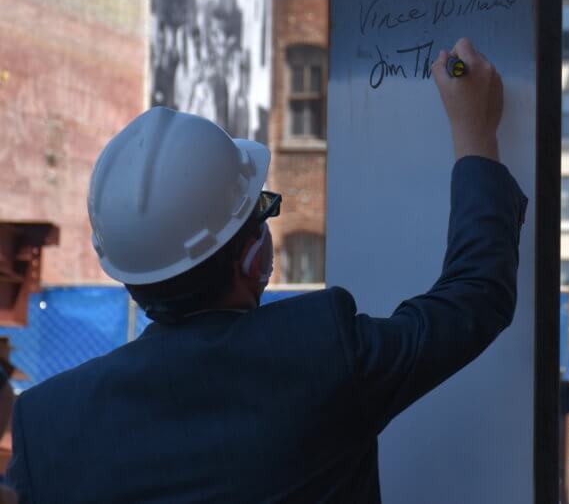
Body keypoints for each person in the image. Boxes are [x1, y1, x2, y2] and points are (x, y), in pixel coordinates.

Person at [7, 37, 526, 503]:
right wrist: (475, 131)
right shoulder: (323, 356)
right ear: (253, 259)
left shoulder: (49, 422)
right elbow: (475, 298)